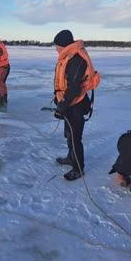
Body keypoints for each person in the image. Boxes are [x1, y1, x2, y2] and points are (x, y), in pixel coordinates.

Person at [52, 29, 99, 181]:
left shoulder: (76, 58)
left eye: (57, 45)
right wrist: (58, 98)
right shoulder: (68, 56)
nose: (56, 48)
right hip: (68, 102)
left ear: (64, 44)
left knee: (75, 137)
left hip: (76, 104)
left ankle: (78, 168)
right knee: (68, 134)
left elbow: (74, 88)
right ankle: (70, 157)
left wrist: (62, 106)